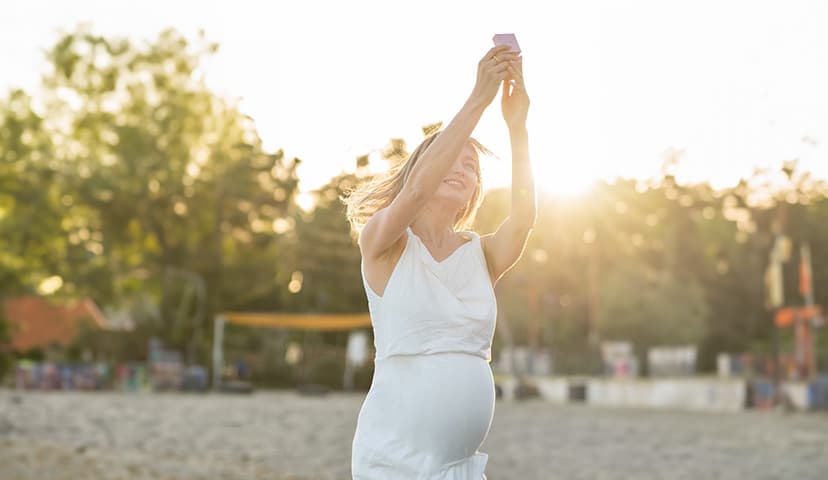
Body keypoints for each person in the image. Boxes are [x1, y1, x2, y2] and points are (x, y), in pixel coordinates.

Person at [345, 43, 536, 479]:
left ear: (474, 191)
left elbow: (523, 218)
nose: (461, 168)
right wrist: (479, 98)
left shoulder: (482, 255)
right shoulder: (383, 241)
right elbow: (412, 194)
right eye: (451, 157)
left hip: (459, 469)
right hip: (394, 460)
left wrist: (517, 126)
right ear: (422, 170)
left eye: (471, 166)